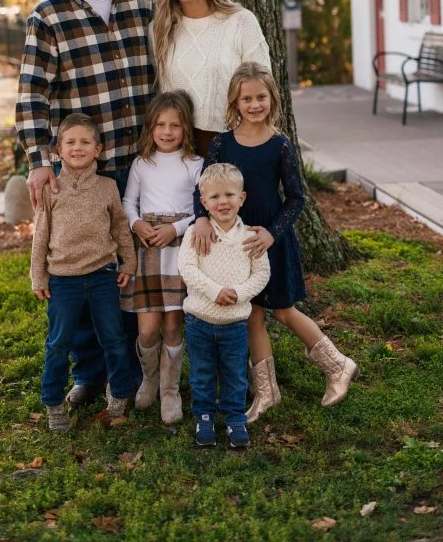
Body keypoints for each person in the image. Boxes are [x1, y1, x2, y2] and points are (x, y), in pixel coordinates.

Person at [16, 0, 155, 405]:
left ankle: (135, 369)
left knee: (125, 268)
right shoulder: (49, 15)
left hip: (139, 163)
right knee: (74, 268)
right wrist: (38, 160)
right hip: (80, 169)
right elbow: (32, 93)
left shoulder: (141, 4)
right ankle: (89, 373)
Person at [192, 62, 358, 421]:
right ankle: (267, 393)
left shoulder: (279, 145)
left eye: (261, 97)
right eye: (246, 98)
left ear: (273, 98)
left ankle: (338, 365)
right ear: (235, 102)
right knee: (251, 314)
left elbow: (296, 197)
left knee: (283, 310)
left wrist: (272, 232)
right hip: (236, 248)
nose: (254, 104)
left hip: (271, 242)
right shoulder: (222, 143)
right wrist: (202, 219)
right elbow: (202, 186)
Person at [30, 113, 137, 431]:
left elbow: (120, 227)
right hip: (63, 279)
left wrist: (128, 262)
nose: (78, 148)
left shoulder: (107, 188)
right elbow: (40, 236)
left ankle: (118, 398)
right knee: (59, 343)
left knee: (114, 339)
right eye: (71, 142)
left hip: (103, 275)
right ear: (58, 150)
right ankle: (53, 404)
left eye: (85, 142)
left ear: (98, 149)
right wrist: (39, 276)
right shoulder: (51, 190)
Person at [121, 91, 203, 424]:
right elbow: (128, 203)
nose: (167, 132)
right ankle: (149, 379)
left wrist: (177, 229)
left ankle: (170, 391)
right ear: (150, 127)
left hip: (180, 249)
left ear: (186, 129)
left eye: (175, 125)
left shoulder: (195, 165)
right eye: (160, 125)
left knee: (173, 324)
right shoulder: (142, 164)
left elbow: (203, 210)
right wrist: (137, 223)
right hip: (148, 249)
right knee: (147, 328)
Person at [178, 163, 270, 449]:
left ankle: (234, 418)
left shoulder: (250, 237)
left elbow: (262, 274)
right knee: (202, 373)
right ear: (203, 201)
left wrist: (239, 293)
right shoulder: (196, 233)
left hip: (235, 323)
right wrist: (215, 291)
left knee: (235, 374)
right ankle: (204, 416)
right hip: (199, 321)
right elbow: (187, 268)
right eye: (215, 197)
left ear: (242, 198)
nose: (223, 202)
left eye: (229, 195)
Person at [152, 0, 271, 158]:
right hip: (178, 149)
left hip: (233, 143)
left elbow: (264, 86)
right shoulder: (160, 29)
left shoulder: (241, 22)